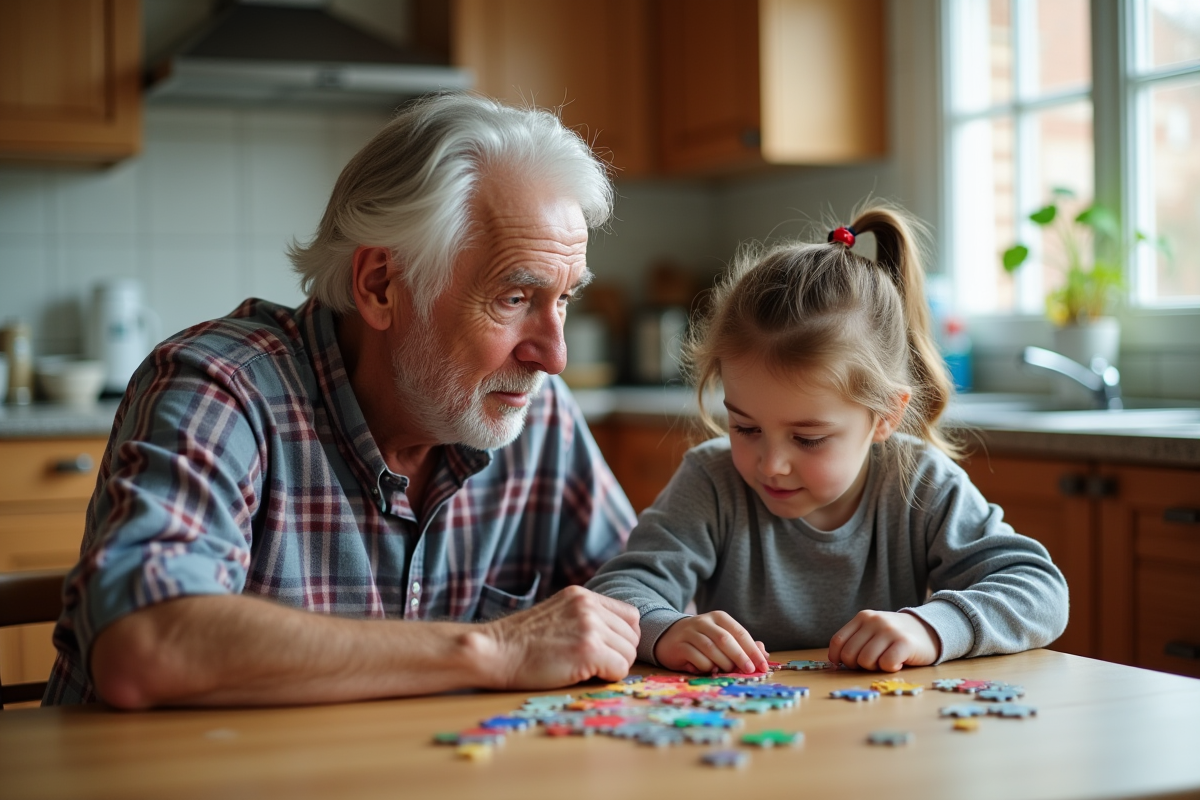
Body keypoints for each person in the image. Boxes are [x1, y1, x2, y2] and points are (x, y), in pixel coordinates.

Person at [44, 93, 641, 708]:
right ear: (381, 285)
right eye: (515, 298)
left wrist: (672, 616)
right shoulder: (222, 388)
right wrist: (496, 649)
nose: (554, 356)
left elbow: (639, 591)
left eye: (565, 298)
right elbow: (144, 644)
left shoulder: (534, 415)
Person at [586, 205, 1069, 675]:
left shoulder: (921, 482)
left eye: (808, 438)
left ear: (884, 417)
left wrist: (931, 628)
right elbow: (618, 591)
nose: (771, 463)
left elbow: (1039, 590)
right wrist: (667, 629)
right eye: (746, 428)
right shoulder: (711, 481)